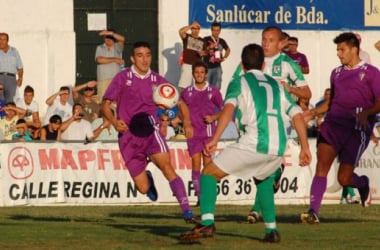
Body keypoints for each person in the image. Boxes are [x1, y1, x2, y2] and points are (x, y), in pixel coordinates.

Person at [180, 44, 311, 243]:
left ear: (242, 64)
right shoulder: (277, 85)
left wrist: (215, 139)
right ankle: (271, 231)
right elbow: (297, 116)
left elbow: (227, 110)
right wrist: (305, 147)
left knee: (208, 173)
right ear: (264, 65)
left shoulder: (239, 82)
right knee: (264, 180)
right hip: (278, 146)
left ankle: (207, 223)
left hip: (255, 141)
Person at [101, 41, 196, 223]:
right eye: (139, 55)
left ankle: (187, 212)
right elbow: (105, 104)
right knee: (143, 188)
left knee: (167, 167)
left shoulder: (158, 81)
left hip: (151, 132)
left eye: (147, 55)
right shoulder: (123, 78)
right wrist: (114, 121)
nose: (144, 59)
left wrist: (188, 122)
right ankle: (148, 180)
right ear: (132, 58)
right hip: (128, 137)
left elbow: (180, 102)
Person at [300, 32, 380, 224]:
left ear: (354, 50)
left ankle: (362, 183)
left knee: (344, 178)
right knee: (322, 166)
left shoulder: (372, 72)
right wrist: (313, 113)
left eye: (342, 49)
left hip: (357, 128)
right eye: (337, 49)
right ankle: (313, 212)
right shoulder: (336, 73)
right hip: (333, 125)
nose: (338, 53)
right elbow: (331, 101)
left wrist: (365, 113)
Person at [247, 26, 312, 224]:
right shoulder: (253, 60)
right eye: (263, 39)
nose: (265, 43)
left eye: (270, 40)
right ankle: (276, 172)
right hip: (256, 120)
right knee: (260, 165)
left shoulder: (288, 64)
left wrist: (289, 88)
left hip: (280, 120)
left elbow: (307, 93)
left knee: (263, 164)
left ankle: (256, 210)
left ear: (280, 43)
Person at [180, 61, 223, 205]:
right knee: (195, 163)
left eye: (202, 72)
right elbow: (180, 109)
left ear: (206, 74)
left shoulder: (213, 91)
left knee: (208, 165)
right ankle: (200, 197)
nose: (199, 75)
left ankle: (208, 195)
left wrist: (213, 117)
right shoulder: (187, 92)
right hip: (193, 133)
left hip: (209, 132)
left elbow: (224, 110)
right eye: (196, 72)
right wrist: (181, 121)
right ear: (193, 74)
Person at [95, 29, 125, 100]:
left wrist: (111, 33)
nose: (108, 39)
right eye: (107, 37)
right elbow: (99, 60)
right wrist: (115, 59)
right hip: (103, 80)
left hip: (115, 80)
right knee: (103, 101)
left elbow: (122, 39)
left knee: (116, 102)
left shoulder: (117, 47)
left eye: (110, 37)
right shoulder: (100, 47)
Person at [178, 21, 206, 91]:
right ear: (191, 29)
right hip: (187, 64)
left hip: (197, 66)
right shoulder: (187, 37)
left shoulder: (202, 40)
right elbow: (181, 31)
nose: (196, 30)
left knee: (198, 87)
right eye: (194, 28)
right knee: (184, 87)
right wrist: (191, 25)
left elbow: (206, 52)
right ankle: (184, 100)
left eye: (197, 29)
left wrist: (203, 53)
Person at [203, 22, 230, 89]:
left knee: (217, 88)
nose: (216, 32)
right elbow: (201, 51)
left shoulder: (221, 41)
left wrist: (224, 58)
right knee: (206, 87)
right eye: (214, 30)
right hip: (207, 67)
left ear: (220, 31)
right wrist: (209, 47)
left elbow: (228, 49)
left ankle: (215, 99)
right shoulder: (206, 39)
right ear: (211, 30)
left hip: (218, 67)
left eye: (217, 30)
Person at [0, 32, 23, 103]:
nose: (1, 41)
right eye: (0, 39)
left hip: (11, 79)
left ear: (7, 41)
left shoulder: (14, 51)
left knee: (10, 102)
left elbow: (20, 67)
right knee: (0, 100)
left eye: (3, 39)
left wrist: (20, 78)